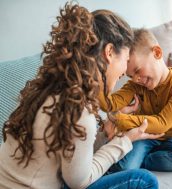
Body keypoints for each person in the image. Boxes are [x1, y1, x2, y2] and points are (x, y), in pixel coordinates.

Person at [0, 3, 163, 189]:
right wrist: (125, 141)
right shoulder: (78, 111)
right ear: (109, 52)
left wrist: (109, 128)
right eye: (126, 60)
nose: (125, 72)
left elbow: (73, 151)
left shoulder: (53, 88)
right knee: (144, 181)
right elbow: (78, 182)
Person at [99, 28, 172, 173]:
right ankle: (135, 159)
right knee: (125, 168)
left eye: (137, 70)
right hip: (143, 136)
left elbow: (162, 124)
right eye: (130, 76)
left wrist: (117, 119)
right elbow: (110, 103)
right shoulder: (136, 84)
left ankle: (141, 160)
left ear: (157, 53)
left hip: (171, 139)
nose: (136, 79)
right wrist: (98, 82)